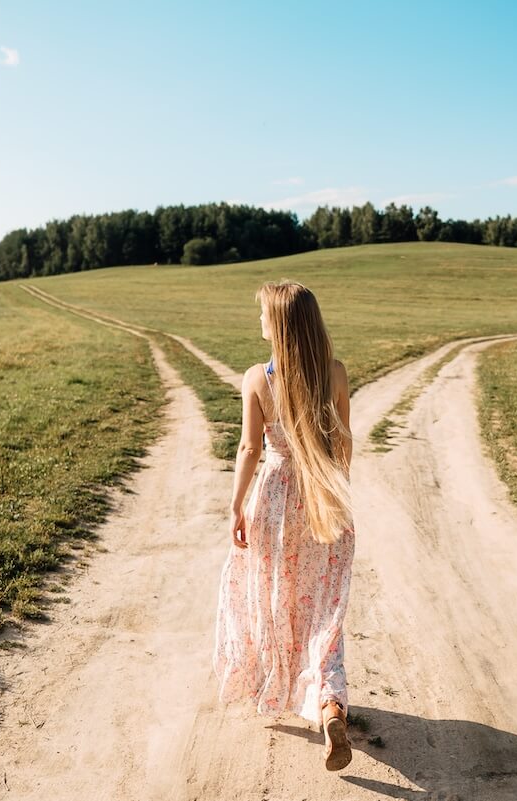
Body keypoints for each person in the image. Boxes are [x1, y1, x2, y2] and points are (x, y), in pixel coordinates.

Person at [212, 279, 357, 772]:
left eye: (262, 314)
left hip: (273, 501)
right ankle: (330, 704)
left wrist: (236, 506)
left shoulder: (258, 378)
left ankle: (276, 683)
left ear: (278, 326)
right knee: (323, 609)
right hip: (322, 499)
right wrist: (333, 493)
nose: (257, 320)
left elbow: (250, 449)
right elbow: (344, 444)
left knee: (274, 598)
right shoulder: (335, 374)